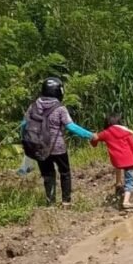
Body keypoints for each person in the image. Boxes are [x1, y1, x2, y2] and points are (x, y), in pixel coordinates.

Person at [20, 77, 94, 207]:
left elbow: (24, 125)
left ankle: (50, 203)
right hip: (58, 148)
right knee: (64, 172)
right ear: (59, 91)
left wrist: (26, 142)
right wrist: (90, 135)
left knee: (48, 175)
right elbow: (71, 126)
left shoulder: (33, 106)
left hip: (40, 147)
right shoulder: (60, 108)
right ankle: (66, 202)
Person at [90, 113, 133, 210]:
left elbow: (95, 139)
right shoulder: (126, 132)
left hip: (116, 160)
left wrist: (93, 139)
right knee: (129, 181)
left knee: (118, 167)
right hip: (128, 159)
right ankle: (126, 201)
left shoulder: (106, 133)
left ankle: (118, 183)